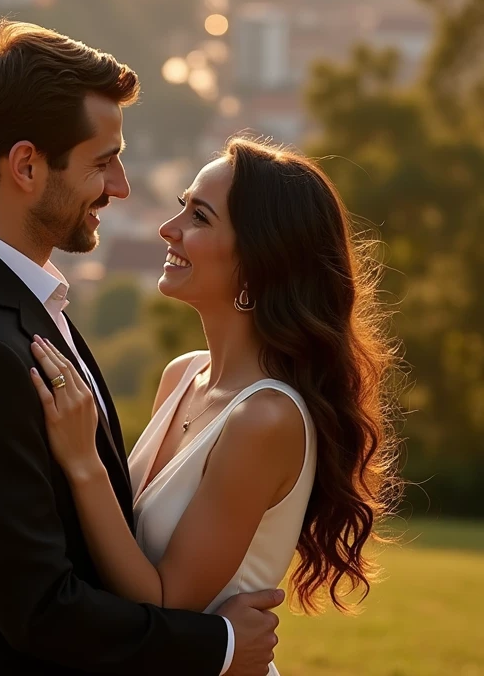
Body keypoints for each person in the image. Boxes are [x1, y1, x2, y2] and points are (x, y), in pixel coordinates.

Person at [0, 20, 282, 676]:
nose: (121, 186)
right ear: (26, 166)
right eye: (103, 161)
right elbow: (41, 609)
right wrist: (221, 647)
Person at [30, 137, 402, 674]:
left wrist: (83, 460)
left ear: (257, 262)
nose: (169, 227)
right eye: (182, 204)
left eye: (199, 216)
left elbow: (164, 603)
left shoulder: (265, 419)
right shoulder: (182, 375)